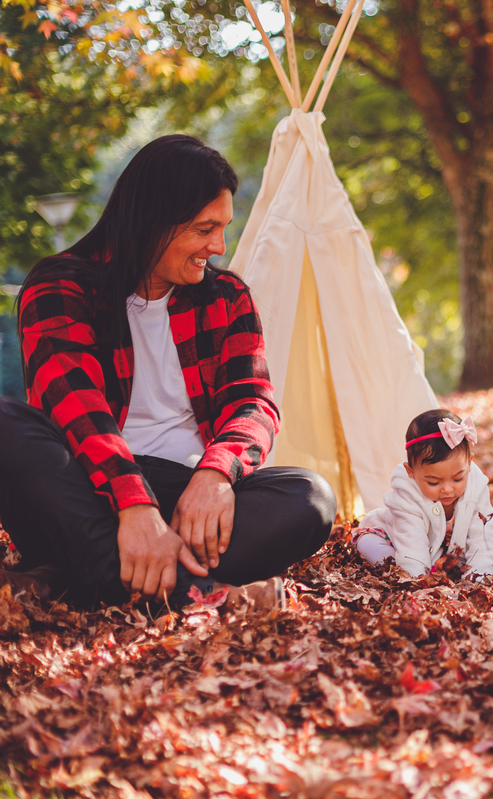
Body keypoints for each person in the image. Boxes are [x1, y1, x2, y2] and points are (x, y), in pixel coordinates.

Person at [0, 134, 336, 611]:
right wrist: (134, 506)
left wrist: (216, 475)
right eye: (204, 229)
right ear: (152, 222)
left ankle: (72, 580)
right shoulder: (59, 287)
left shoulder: (228, 298)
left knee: (309, 497)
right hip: (86, 487)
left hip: (187, 495)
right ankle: (197, 596)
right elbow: (79, 410)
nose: (217, 246)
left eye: (222, 228)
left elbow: (253, 402)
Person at [352, 409, 493, 577]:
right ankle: (403, 567)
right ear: (411, 472)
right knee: (369, 544)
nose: (447, 489)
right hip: (400, 541)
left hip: (456, 550)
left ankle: (451, 566)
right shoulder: (407, 494)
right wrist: (418, 578)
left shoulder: (476, 486)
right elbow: (411, 543)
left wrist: (478, 575)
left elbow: (480, 537)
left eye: (458, 478)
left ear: (469, 463)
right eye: (433, 482)